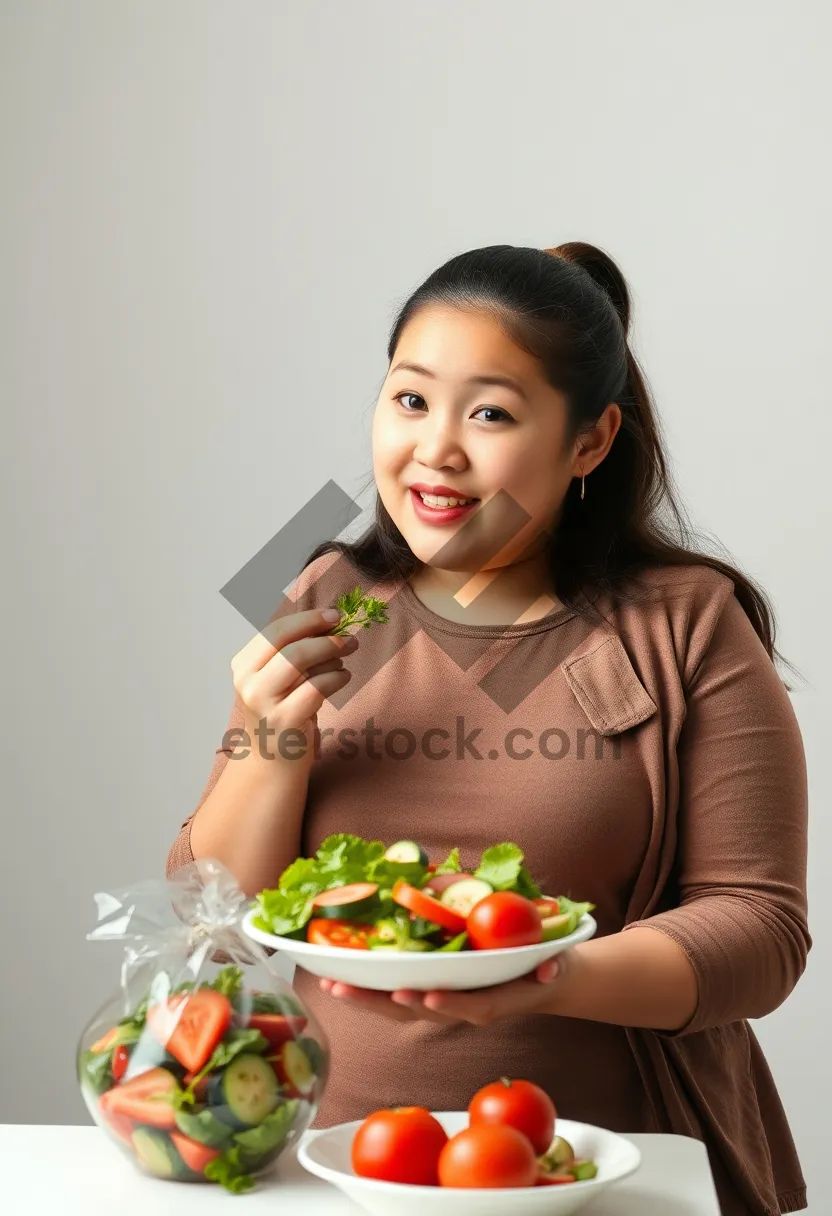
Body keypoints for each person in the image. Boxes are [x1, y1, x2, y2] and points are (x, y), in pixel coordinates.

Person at [166, 242, 810, 1215]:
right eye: (410, 399)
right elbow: (215, 925)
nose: (435, 450)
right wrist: (270, 740)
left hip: (612, 1163)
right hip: (333, 1164)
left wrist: (543, 975)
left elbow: (760, 931)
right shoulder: (323, 591)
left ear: (589, 442)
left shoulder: (687, 617)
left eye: (492, 414)